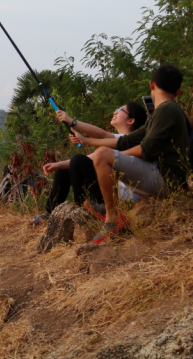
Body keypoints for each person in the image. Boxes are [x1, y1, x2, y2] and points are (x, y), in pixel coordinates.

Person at [72, 64, 190, 244]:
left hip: (166, 179)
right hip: (163, 176)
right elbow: (124, 140)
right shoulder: (164, 112)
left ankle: (112, 219)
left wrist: (110, 157)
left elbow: (146, 149)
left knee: (103, 155)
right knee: (103, 153)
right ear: (179, 91)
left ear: (151, 84)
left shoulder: (167, 110)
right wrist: (87, 141)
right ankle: (110, 210)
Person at [32, 102, 147, 224]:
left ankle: (80, 210)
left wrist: (72, 121)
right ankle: (49, 213)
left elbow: (102, 134)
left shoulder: (130, 140)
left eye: (120, 110)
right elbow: (92, 157)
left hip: (119, 198)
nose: (115, 112)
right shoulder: (117, 139)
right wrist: (58, 165)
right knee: (65, 168)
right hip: (110, 191)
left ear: (131, 121)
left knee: (77, 160)